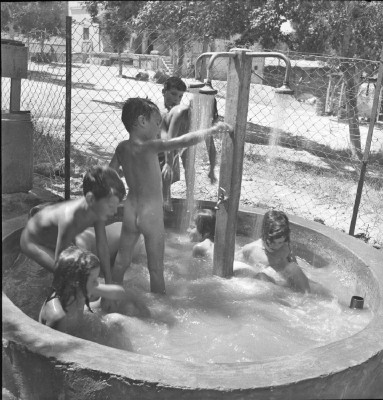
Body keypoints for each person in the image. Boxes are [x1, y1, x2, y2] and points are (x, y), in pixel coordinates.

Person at [109, 97, 233, 295]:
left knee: (122, 260)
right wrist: (210, 131)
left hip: (130, 210)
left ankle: (110, 297)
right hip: (151, 214)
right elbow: (183, 140)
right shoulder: (150, 146)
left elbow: (111, 174)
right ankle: (159, 313)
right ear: (142, 121)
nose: (159, 129)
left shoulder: (122, 148)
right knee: (156, 268)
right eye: (157, 123)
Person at [20, 166, 126, 286]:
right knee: (73, 278)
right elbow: (61, 265)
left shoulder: (97, 208)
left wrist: (109, 282)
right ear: (91, 199)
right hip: (33, 242)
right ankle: (54, 299)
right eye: (111, 206)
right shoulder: (69, 218)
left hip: (56, 236)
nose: (115, 212)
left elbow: (102, 245)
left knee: (86, 272)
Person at [39, 246, 148, 349]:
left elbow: (118, 292)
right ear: (77, 282)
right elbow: (55, 352)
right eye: (94, 280)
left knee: (116, 321)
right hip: (69, 340)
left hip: (77, 327)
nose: (97, 283)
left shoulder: (76, 289)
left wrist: (135, 300)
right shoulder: (59, 316)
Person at [159, 77, 218, 211]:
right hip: (169, 144)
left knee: (189, 167)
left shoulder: (203, 121)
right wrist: (168, 162)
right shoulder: (178, 113)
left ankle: (190, 199)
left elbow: (211, 148)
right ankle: (166, 198)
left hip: (183, 145)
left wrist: (212, 170)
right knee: (167, 169)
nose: (177, 99)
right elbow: (169, 140)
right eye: (174, 94)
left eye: (180, 95)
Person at [235, 210, 311, 293]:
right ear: (265, 234)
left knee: (294, 268)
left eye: (280, 242)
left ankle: (307, 297)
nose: (276, 246)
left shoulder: (286, 247)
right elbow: (236, 264)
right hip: (269, 290)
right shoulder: (251, 249)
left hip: (285, 287)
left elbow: (295, 267)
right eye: (272, 242)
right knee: (261, 276)